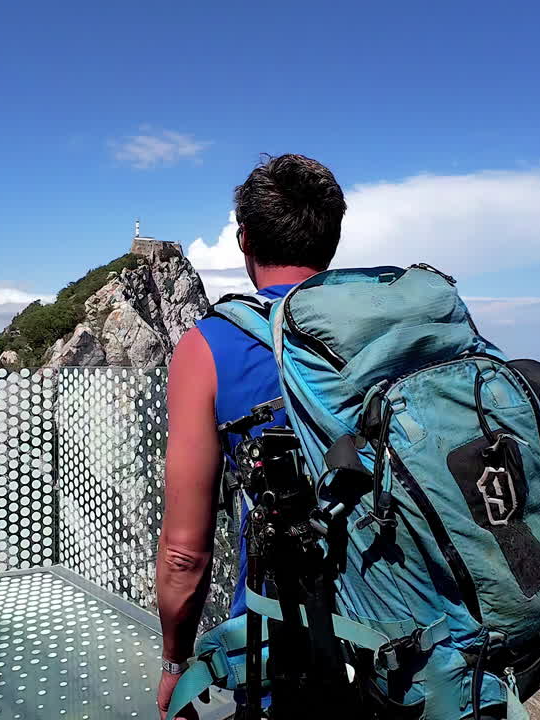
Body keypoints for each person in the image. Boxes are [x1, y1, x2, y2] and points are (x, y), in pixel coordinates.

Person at [154, 154, 347, 719]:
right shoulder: (396, 338)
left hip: (286, 668)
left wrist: (176, 666)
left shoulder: (211, 346)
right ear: (330, 241)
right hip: (419, 662)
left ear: (243, 241)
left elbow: (184, 554)